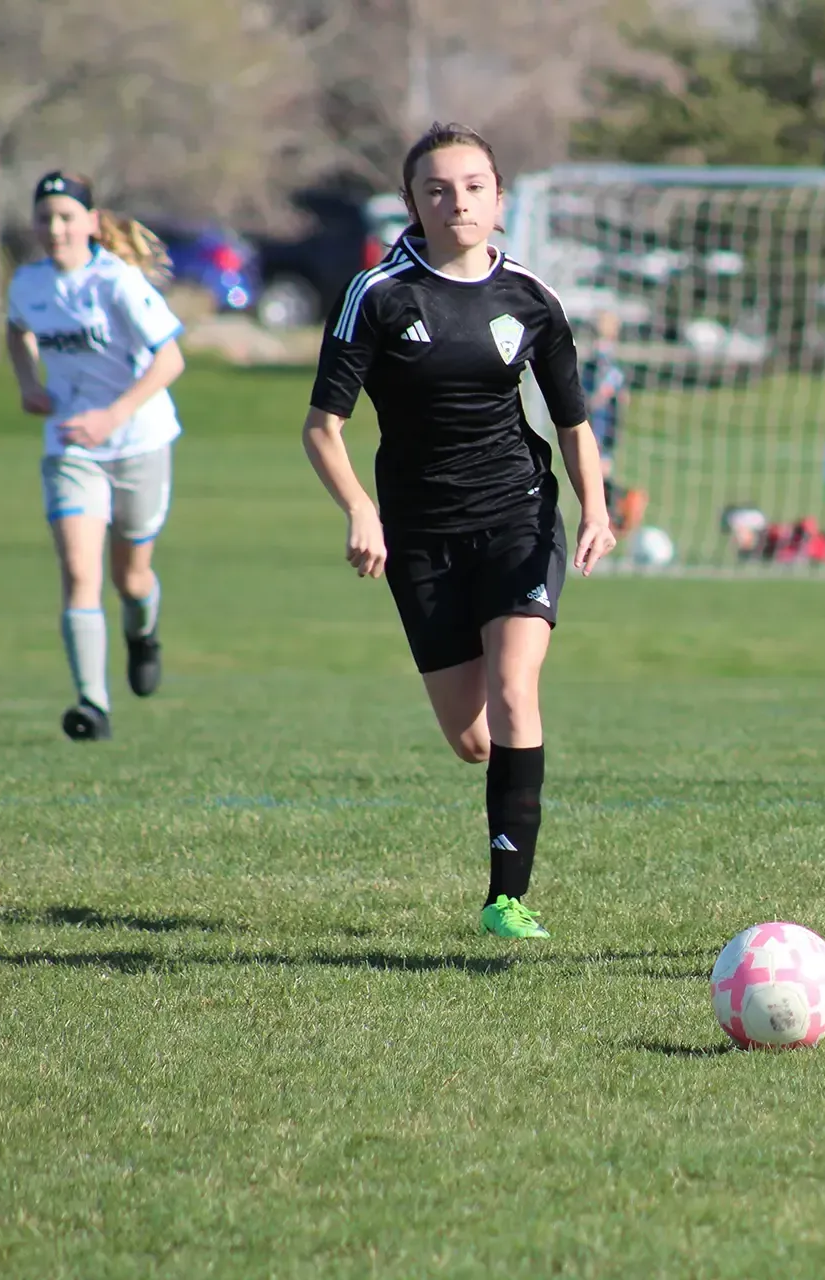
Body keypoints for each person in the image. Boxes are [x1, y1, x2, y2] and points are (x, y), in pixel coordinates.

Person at [302, 123, 616, 937]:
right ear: (413, 202)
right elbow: (321, 428)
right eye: (438, 188)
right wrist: (361, 511)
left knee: (517, 690)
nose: (458, 201)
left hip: (519, 512)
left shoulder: (531, 300)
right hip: (422, 535)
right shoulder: (378, 295)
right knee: (473, 740)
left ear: (499, 198)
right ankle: (505, 841)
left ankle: (506, 899)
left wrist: (597, 509)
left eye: (474, 186)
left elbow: (575, 422)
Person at [5, 171, 187, 742]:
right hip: (71, 446)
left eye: (65, 216)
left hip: (139, 442)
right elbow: (16, 332)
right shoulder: (29, 284)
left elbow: (170, 360)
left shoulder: (117, 283)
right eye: (44, 217)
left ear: (90, 221)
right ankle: (92, 705)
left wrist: (114, 415)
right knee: (79, 574)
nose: (54, 228)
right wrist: (28, 383)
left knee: (129, 577)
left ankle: (143, 632)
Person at [579, 309, 629, 524]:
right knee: (601, 469)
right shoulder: (604, 356)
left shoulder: (602, 357)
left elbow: (609, 384)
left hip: (601, 420)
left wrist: (594, 401)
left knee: (600, 469)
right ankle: (613, 510)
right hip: (604, 420)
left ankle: (615, 509)